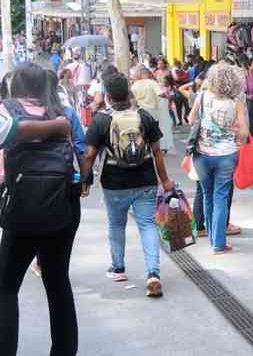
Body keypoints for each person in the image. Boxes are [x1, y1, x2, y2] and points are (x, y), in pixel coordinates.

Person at [0, 64, 86, 356]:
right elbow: (81, 153)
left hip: (21, 206)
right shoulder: (65, 112)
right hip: (62, 204)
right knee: (57, 279)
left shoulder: (7, 110)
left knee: (6, 287)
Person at [80, 73, 173, 298]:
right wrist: (165, 180)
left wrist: (85, 182)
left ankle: (118, 268)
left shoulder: (101, 120)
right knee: (147, 225)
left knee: (116, 224)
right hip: (145, 180)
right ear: (129, 93)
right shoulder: (144, 117)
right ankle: (153, 273)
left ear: (109, 96)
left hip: (114, 182)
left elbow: (90, 155)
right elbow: (157, 153)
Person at [189, 62, 249, 255]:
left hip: (202, 154)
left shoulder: (203, 95)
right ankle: (219, 243)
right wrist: (236, 138)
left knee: (207, 195)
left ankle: (213, 239)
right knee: (221, 197)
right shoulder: (236, 101)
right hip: (226, 155)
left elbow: (190, 119)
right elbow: (244, 132)